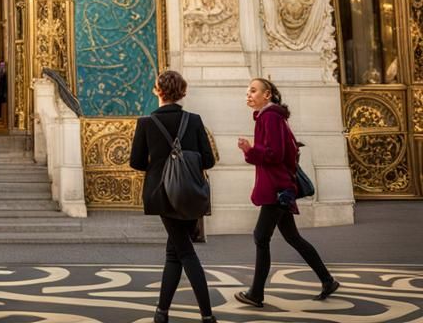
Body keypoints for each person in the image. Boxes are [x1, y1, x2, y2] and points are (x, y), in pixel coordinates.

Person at [235, 78, 339, 308]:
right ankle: (327, 280)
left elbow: (275, 154)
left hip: (276, 188)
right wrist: (253, 151)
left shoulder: (270, 116)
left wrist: (250, 151)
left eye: (253, 91)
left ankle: (256, 294)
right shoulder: (271, 116)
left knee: (261, 237)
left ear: (267, 94)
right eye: (247, 92)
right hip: (280, 186)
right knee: (292, 237)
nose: (248, 95)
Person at [129, 69, 218, 323]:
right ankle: (162, 312)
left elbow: (136, 162)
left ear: (158, 90)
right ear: (183, 92)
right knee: (175, 251)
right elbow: (209, 161)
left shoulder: (146, 123)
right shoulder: (194, 120)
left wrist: (159, 167)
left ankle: (207, 315)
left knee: (185, 253)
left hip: (163, 194)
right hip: (190, 193)